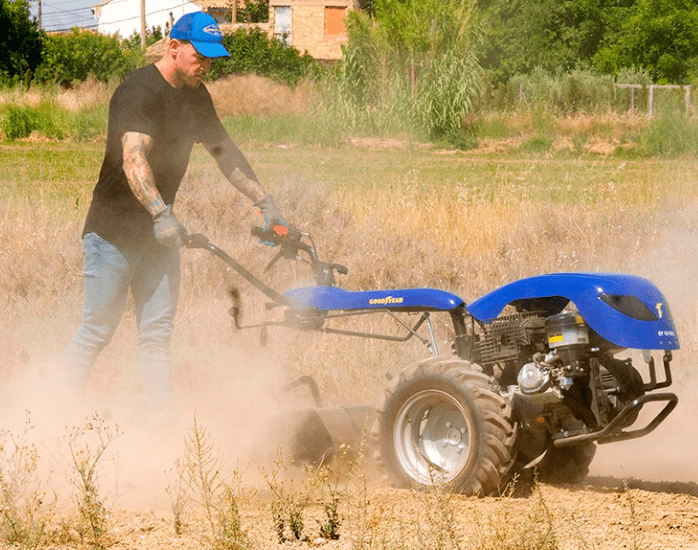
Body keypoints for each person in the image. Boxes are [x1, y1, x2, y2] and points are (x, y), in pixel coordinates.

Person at [59, 11, 290, 423]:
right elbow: (133, 158)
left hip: (160, 237)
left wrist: (264, 199)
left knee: (156, 335)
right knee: (97, 332)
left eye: (213, 59)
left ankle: (161, 426)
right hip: (113, 233)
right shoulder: (139, 91)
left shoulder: (197, 96)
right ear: (174, 48)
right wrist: (160, 212)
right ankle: (56, 416)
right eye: (200, 56)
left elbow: (225, 154)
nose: (207, 66)